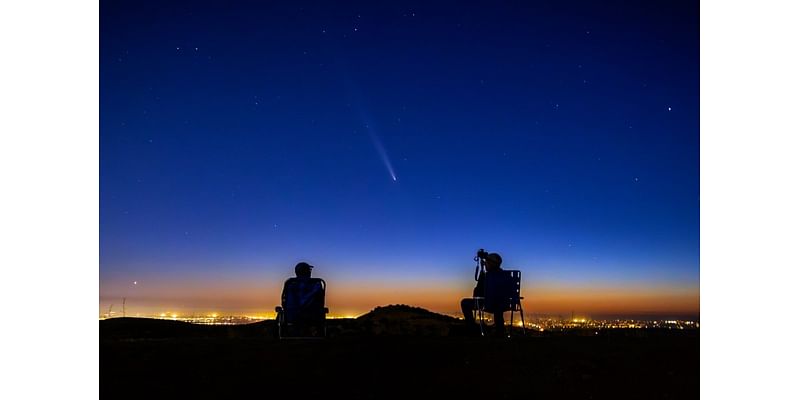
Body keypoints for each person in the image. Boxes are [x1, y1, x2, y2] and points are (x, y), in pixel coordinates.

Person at [461, 251, 506, 336]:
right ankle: (500, 330)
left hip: (488, 304)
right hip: (504, 304)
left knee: (464, 302)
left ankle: (472, 328)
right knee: (498, 303)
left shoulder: (486, 276)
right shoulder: (506, 276)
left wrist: (481, 276)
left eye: (486, 263)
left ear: (490, 264)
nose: (485, 265)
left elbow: (477, 294)